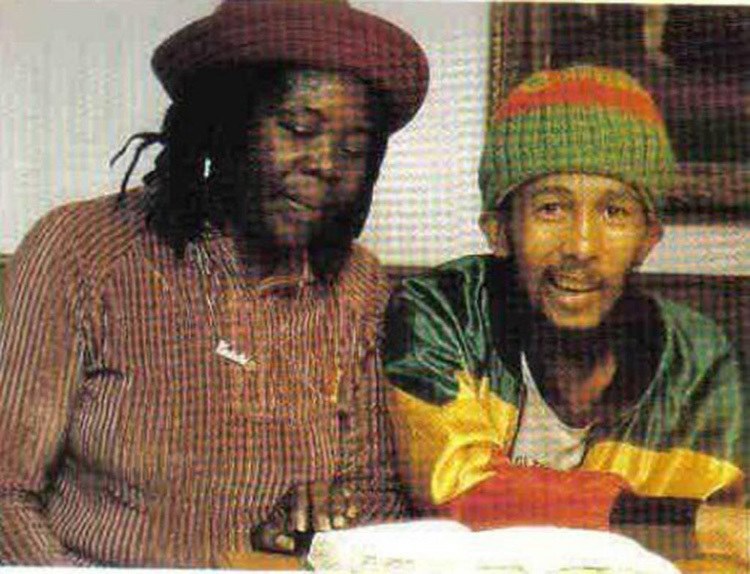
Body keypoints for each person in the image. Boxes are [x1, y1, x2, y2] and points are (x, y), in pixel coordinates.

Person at [0, 0, 428, 566]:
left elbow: (375, 501)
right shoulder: (82, 250)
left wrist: (313, 529)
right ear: (222, 124)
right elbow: (6, 493)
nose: (327, 164)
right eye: (299, 128)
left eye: (354, 148)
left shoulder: (360, 287)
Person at [384, 66, 749, 562]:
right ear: (498, 231)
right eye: (551, 208)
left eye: (614, 212)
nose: (580, 246)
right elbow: (457, 492)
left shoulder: (696, 360)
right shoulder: (441, 313)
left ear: (648, 240)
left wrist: (705, 530)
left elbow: (722, 540)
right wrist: (696, 525)